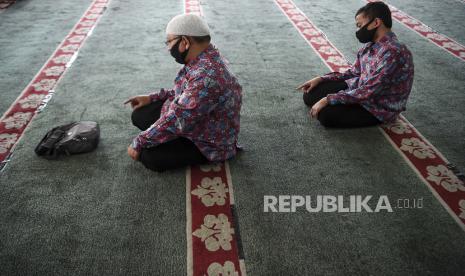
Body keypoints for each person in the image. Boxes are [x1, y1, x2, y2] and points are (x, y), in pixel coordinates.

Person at [125, 14, 242, 172]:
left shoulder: (207, 76)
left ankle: (187, 148)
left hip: (209, 141)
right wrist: (152, 98)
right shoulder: (205, 56)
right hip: (196, 118)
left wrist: (140, 141)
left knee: (149, 157)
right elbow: (184, 91)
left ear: (185, 41)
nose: (168, 48)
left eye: (170, 42)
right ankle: (167, 138)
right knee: (140, 114)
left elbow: (178, 119)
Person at [298, 1, 414, 128]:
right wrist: (321, 79)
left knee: (326, 115)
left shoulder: (394, 52)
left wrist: (328, 99)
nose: (358, 31)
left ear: (376, 23)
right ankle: (339, 99)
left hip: (378, 105)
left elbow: (370, 90)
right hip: (359, 88)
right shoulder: (370, 45)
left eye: (360, 25)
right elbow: (353, 73)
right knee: (310, 94)